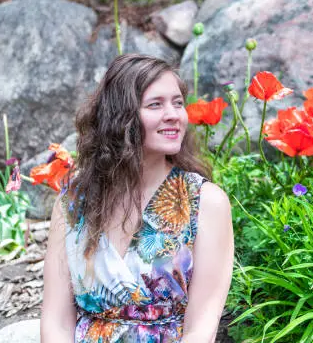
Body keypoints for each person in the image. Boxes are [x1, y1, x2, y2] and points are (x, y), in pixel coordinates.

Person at [40, 54, 234, 342]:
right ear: (120, 117)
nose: (173, 114)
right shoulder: (74, 204)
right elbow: (55, 321)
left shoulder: (204, 202)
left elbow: (202, 327)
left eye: (178, 103)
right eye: (156, 104)